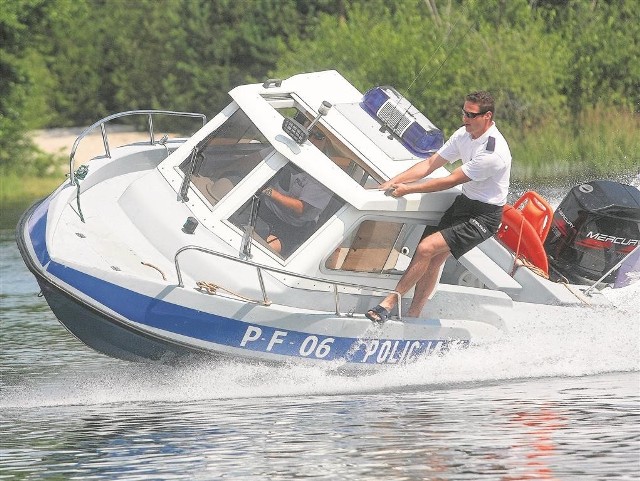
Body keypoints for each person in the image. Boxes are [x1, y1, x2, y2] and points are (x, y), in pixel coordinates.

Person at [366, 91, 512, 322]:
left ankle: (388, 303)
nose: (465, 118)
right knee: (433, 259)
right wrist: (395, 181)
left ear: (487, 116)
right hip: (464, 204)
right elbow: (431, 164)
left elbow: (449, 180)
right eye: (464, 112)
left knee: (425, 248)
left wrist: (408, 189)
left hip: (484, 217)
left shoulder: (493, 153)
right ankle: (414, 316)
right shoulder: (464, 134)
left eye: (471, 115)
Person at [258, 129, 333, 255]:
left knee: (264, 249)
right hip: (263, 207)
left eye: (319, 136)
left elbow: (299, 209)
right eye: (309, 133)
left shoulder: (325, 176)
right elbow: (252, 160)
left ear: (327, 144)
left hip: (290, 227)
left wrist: (268, 191)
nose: (311, 139)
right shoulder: (286, 147)